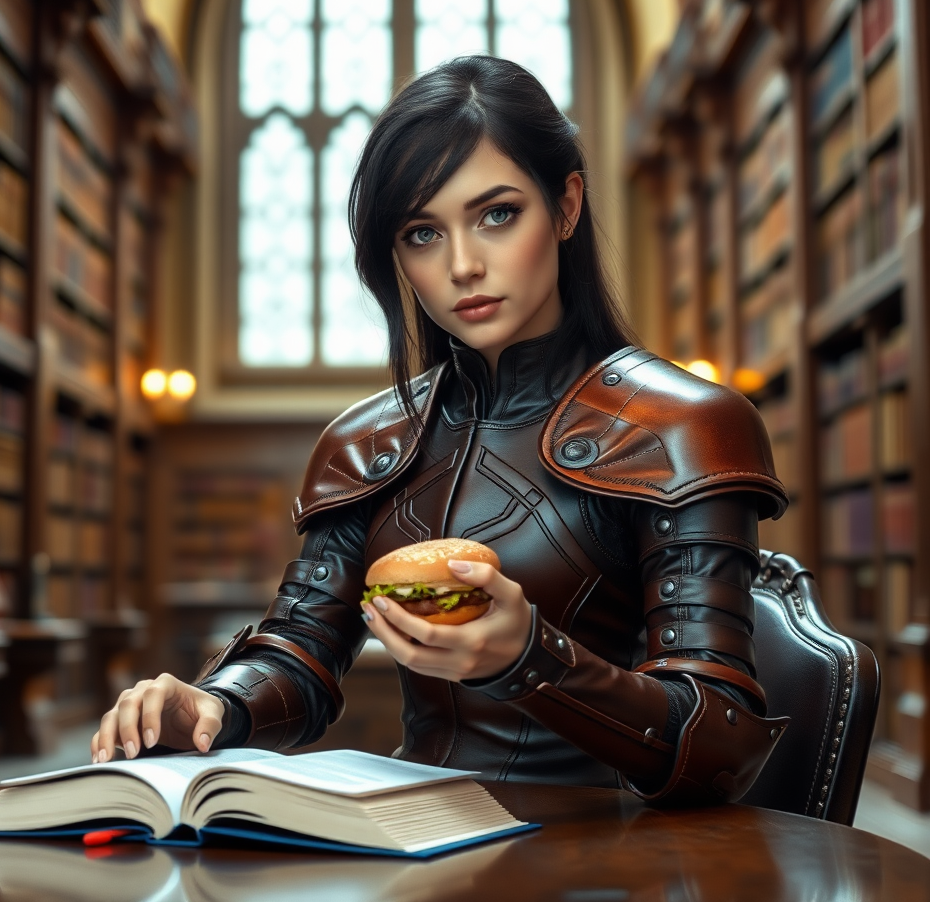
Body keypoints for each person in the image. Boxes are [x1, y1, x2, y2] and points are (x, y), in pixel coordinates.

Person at [91, 56, 788, 805]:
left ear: (566, 207)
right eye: (422, 233)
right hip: (418, 842)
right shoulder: (366, 444)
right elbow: (301, 654)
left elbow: (721, 745)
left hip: (617, 858)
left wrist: (531, 657)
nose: (462, 265)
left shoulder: (685, 427)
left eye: (497, 214)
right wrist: (212, 706)